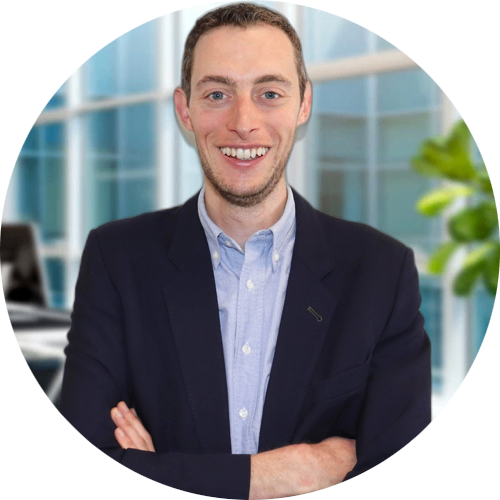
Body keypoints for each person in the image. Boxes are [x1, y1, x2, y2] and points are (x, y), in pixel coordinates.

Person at [59, 3, 431, 498]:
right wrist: (272, 477)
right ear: (185, 110)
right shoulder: (116, 260)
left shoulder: (381, 272)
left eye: (269, 93)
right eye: (217, 94)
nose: (244, 122)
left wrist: (161, 469)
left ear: (303, 105)